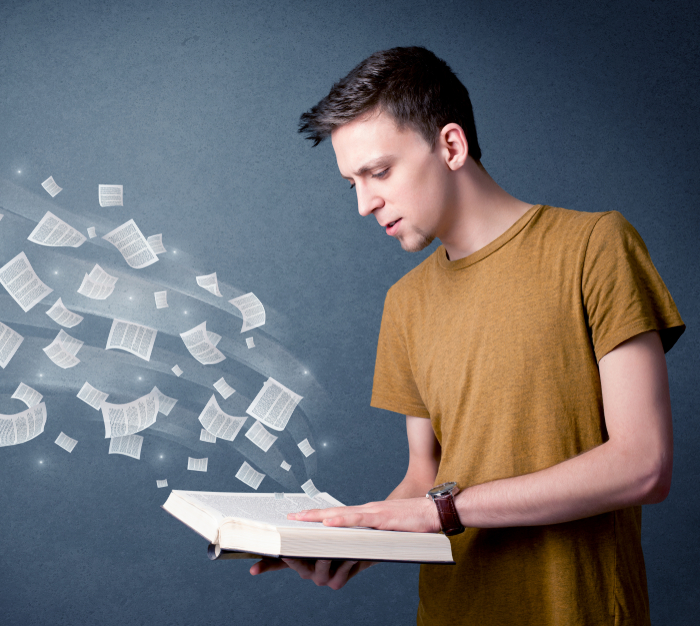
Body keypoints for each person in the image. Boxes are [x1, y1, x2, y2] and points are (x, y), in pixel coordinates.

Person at [250, 46, 684, 625]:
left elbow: (643, 464)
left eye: (379, 172)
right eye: (351, 183)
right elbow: (425, 481)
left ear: (450, 145)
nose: (364, 203)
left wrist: (443, 511)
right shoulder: (404, 304)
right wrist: (354, 537)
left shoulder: (594, 247)